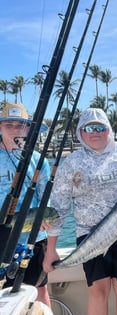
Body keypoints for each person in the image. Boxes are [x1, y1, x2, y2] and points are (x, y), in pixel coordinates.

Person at [43, 107, 117, 315]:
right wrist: (51, 249)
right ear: (80, 132)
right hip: (89, 236)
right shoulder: (72, 161)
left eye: (100, 127)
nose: (95, 132)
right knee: (98, 290)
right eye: (89, 128)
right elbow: (59, 206)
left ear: (108, 129)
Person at [0, 102, 51, 307]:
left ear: (28, 129)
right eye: (9, 124)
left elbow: (46, 198)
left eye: (20, 125)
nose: (15, 129)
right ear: (0, 127)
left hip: (33, 238)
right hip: (2, 237)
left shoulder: (39, 160)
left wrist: (44, 218)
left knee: (39, 289)